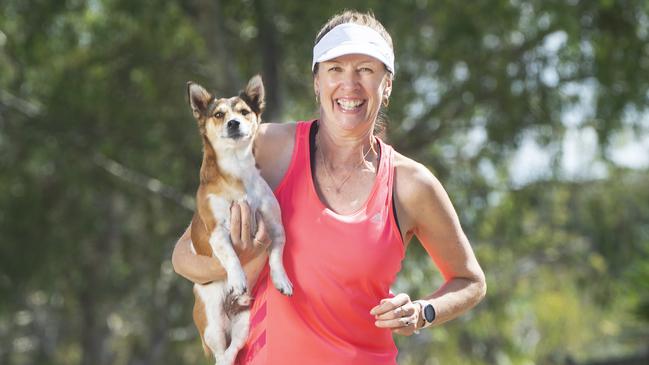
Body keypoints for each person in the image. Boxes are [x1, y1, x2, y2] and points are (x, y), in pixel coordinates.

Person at [172, 10, 486, 365]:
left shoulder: (411, 184)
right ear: (317, 82)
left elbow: (470, 281)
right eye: (335, 69)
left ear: (387, 84)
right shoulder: (265, 147)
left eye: (366, 70)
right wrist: (235, 265)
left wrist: (422, 312)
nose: (349, 85)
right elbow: (183, 257)